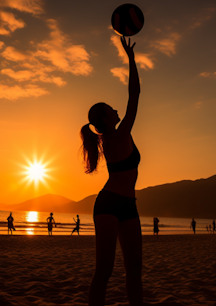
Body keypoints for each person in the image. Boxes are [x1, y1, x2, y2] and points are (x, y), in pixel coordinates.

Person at [82, 36, 143, 306]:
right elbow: (135, 95)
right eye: (111, 109)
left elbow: (131, 99)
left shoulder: (116, 135)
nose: (117, 110)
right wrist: (130, 58)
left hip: (128, 204)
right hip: (109, 204)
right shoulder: (117, 135)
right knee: (104, 272)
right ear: (106, 119)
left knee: (134, 272)